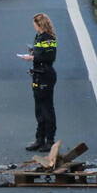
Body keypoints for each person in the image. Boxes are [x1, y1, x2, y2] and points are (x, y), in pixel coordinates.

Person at [18, 13, 57, 152]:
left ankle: (50, 140)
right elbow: (40, 53)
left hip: (45, 75)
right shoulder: (39, 37)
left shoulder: (48, 38)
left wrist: (32, 57)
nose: (33, 26)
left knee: (47, 109)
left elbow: (50, 56)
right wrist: (33, 52)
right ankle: (39, 139)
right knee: (39, 110)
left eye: (34, 24)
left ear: (39, 24)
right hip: (38, 75)